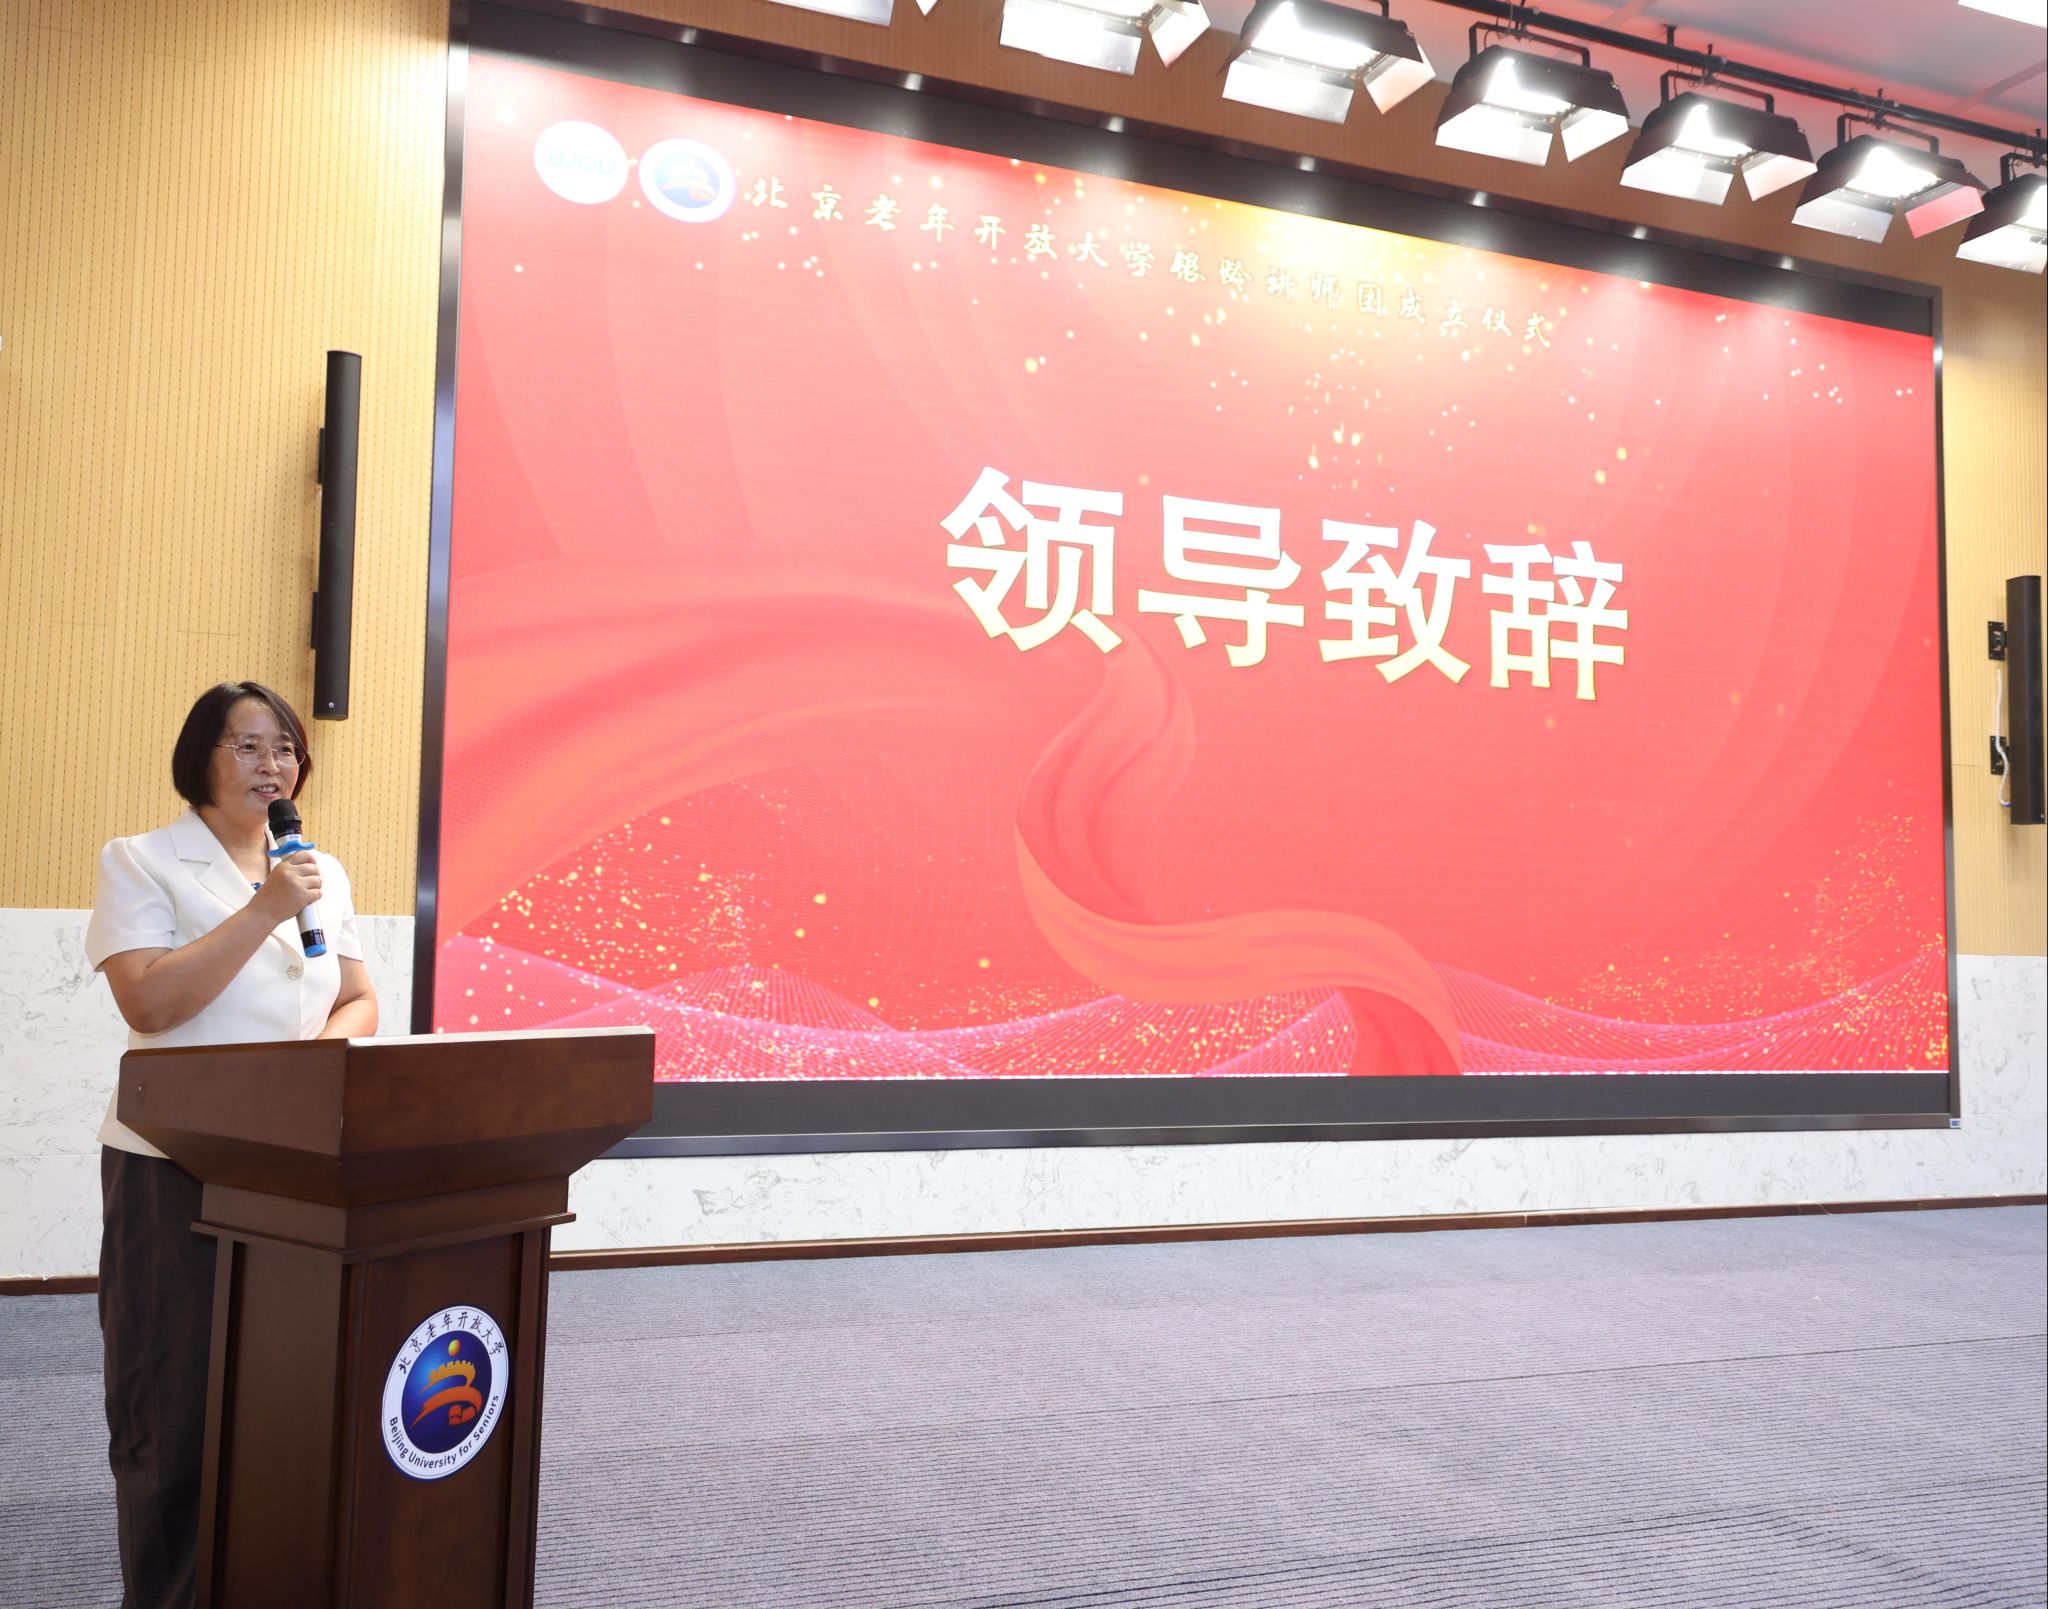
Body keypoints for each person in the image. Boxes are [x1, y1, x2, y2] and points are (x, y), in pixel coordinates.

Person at [84, 682, 376, 1609]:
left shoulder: (320, 868)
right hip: (173, 1164)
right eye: (248, 746)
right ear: (201, 759)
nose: (272, 764)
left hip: (291, 1165)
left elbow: (358, 1000)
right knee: (169, 1408)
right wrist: (262, 909)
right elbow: (149, 1002)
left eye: (285, 747)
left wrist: (311, 1072)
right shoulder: (141, 860)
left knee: (279, 1399)